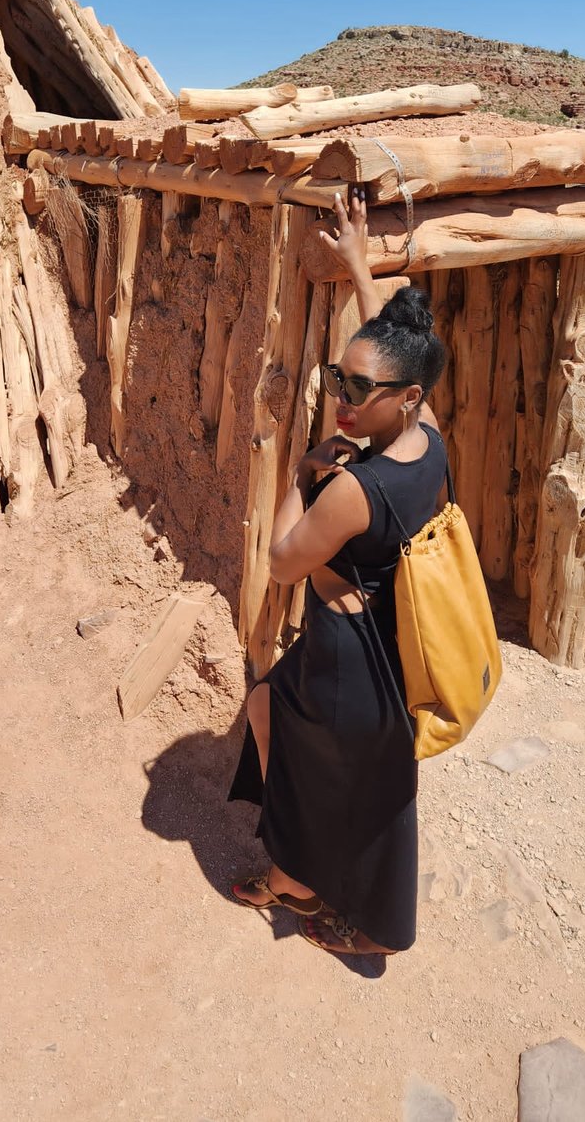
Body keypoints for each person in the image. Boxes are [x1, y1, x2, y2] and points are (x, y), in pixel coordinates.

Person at [227, 188, 448, 955]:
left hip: (351, 667)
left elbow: (285, 561)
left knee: (328, 772)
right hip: (385, 651)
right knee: (285, 724)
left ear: (405, 398)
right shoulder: (431, 439)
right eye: (337, 380)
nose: (341, 400)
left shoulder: (355, 489)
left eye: (356, 391)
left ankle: (325, 898)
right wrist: (361, 265)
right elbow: (394, 346)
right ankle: (316, 885)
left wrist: (299, 471)